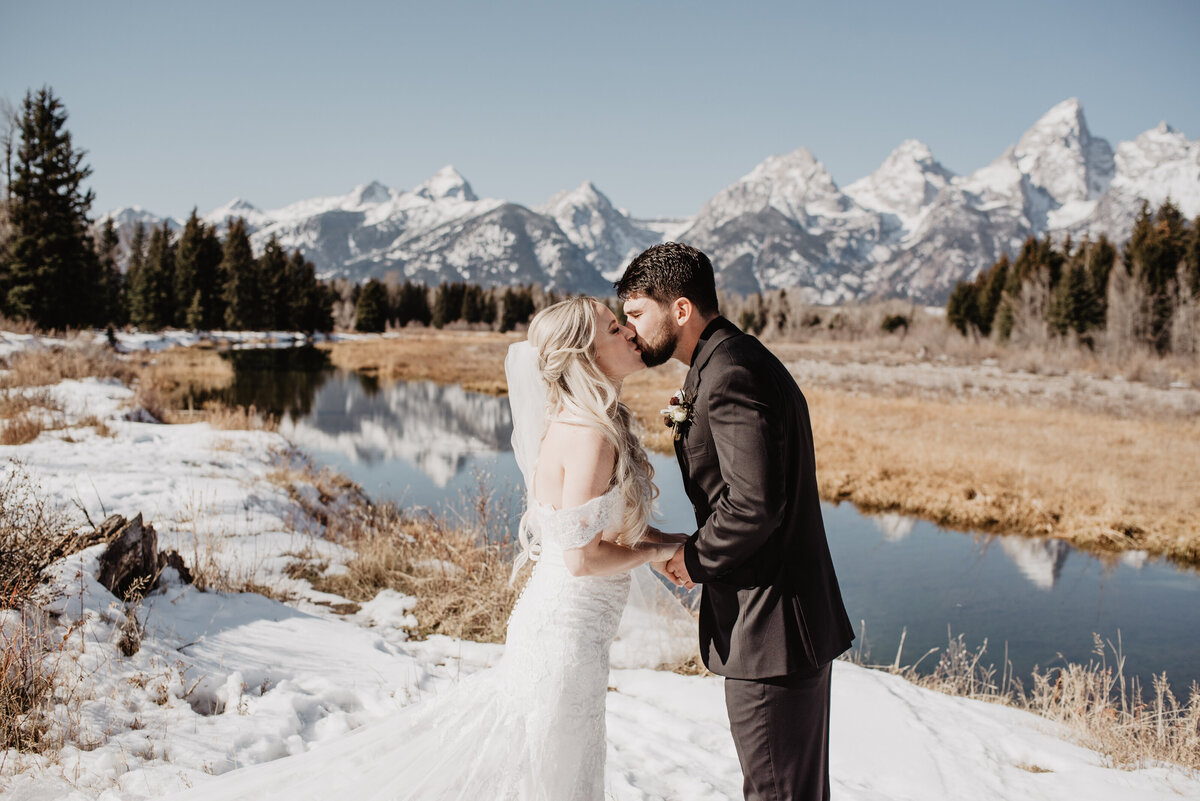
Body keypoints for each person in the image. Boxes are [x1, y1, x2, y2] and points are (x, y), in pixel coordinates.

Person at [162, 296, 682, 801]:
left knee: (556, 762)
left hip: (567, 629)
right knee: (552, 765)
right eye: (614, 329)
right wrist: (659, 553)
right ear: (583, 356)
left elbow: (594, 533)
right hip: (565, 636)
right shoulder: (589, 436)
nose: (630, 332)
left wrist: (670, 544)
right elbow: (582, 557)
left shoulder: (583, 423)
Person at [617, 242, 855, 801]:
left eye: (635, 313)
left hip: (770, 626)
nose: (629, 330)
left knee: (775, 791)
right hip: (783, 623)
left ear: (680, 310)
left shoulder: (730, 375)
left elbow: (755, 505)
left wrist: (692, 559)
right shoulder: (732, 359)